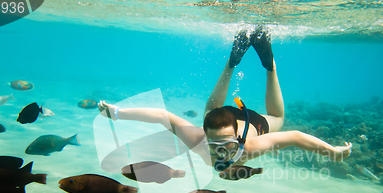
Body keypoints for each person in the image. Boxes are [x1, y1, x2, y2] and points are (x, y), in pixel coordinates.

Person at [99, 26, 352, 171]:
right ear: (204, 137)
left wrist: (331, 152)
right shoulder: (198, 139)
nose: (221, 153)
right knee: (212, 111)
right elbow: (162, 116)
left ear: (239, 140)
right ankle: (250, 62)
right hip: (229, 118)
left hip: (255, 123)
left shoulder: (250, 147)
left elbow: (296, 137)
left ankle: (255, 64)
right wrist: (117, 113)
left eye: (228, 145)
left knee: (276, 118)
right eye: (215, 146)